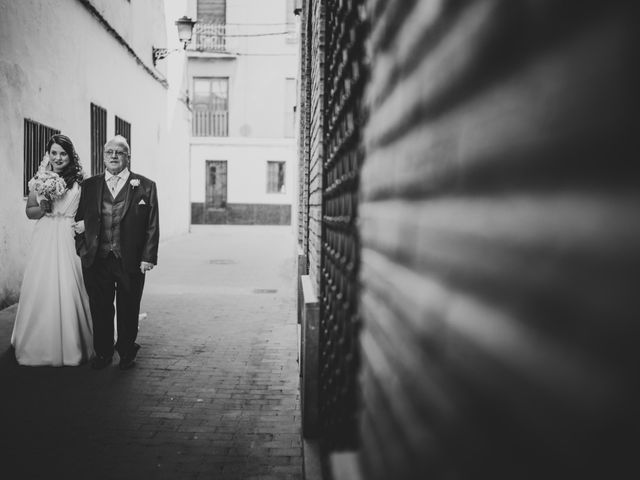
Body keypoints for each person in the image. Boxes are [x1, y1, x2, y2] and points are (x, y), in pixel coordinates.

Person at [75, 135, 159, 370]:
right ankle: (102, 353)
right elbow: (80, 218)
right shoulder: (89, 186)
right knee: (100, 307)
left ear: (128, 157)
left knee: (128, 307)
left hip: (129, 259)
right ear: (103, 156)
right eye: (109, 152)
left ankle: (126, 351)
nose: (113, 156)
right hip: (97, 259)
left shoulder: (145, 186)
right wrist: (82, 247)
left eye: (119, 152)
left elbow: (152, 224)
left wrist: (148, 257)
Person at [11, 134, 94, 366]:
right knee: (42, 285)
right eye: (53, 152)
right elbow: (30, 212)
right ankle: (38, 343)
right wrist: (43, 207)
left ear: (70, 155)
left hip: (68, 236)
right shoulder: (38, 179)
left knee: (71, 285)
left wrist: (85, 224)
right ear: (48, 154)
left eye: (63, 153)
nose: (57, 158)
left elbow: (88, 211)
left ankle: (74, 343)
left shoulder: (81, 181)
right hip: (45, 237)